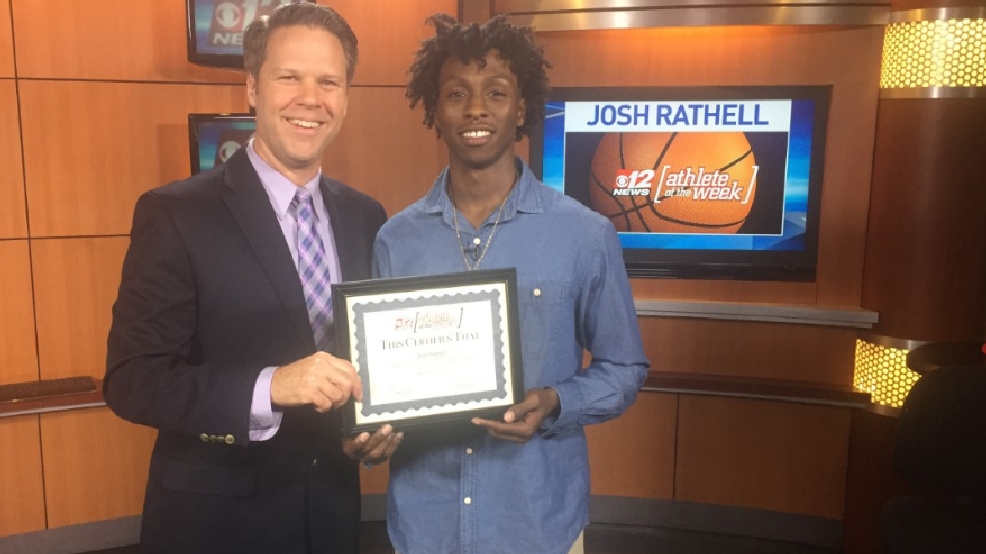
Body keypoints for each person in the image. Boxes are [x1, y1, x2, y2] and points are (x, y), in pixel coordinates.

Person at [104, 4, 398, 554]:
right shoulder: (176, 214)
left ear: (345, 98)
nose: (310, 98)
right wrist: (271, 386)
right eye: (289, 77)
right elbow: (132, 380)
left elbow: (360, 358)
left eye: (328, 82)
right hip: (217, 525)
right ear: (253, 89)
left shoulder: (365, 216)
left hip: (330, 516)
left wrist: (367, 430)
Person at [372, 14, 650, 554]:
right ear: (435, 112)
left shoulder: (584, 234)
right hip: (426, 526)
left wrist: (555, 401)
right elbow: (382, 384)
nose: (476, 109)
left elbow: (625, 369)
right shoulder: (395, 240)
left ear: (520, 109)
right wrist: (371, 431)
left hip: (537, 523)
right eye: (456, 94)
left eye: (496, 93)